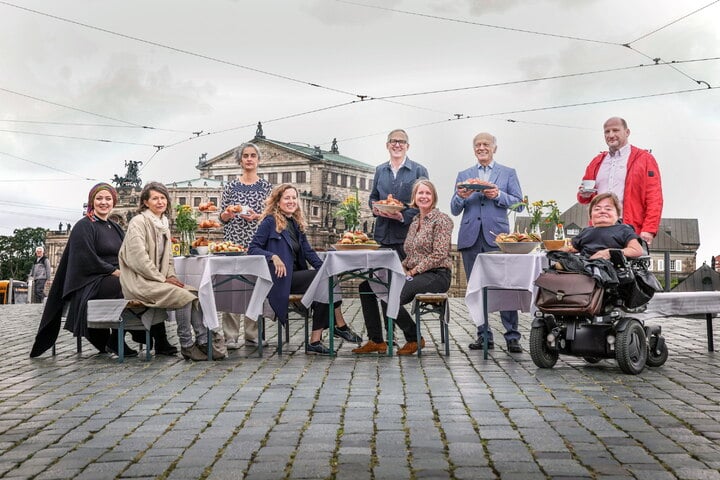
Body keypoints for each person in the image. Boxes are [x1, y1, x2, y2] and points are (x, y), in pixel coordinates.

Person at [30, 183, 143, 358]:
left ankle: (139, 333)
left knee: (142, 283)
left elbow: (125, 255)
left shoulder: (115, 227)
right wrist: (115, 272)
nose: (103, 202)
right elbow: (86, 259)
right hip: (89, 281)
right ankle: (115, 338)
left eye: (108, 199)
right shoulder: (83, 225)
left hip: (113, 277)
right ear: (92, 202)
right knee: (125, 283)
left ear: (114, 202)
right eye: (99, 198)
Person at [248, 183, 362, 355]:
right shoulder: (270, 221)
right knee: (325, 280)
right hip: (280, 279)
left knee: (327, 279)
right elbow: (253, 248)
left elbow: (308, 252)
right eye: (287, 198)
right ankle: (339, 326)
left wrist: (326, 268)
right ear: (278, 201)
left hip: (295, 276)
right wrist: (273, 256)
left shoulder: (294, 223)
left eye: (294, 198)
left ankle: (317, 339)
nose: (291, 201)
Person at [353, 179, 453, 355]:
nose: (424, 196)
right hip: (414, 273)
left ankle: (414, 337)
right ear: (414, 197)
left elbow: (439, 254)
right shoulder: (414, 221)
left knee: (391, 294)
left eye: (427, 193)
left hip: (436, 275)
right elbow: (411, 254)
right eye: (420, 193)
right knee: (367, 286)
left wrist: (413, 271)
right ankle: (376, 340)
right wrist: (402, 268)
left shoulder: (442, 220)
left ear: (434, 197)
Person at [119, 181, 215, 361]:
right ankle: (186, 344)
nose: (160, 202)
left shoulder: (163, 223)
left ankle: (202, 340)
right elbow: (138, 258)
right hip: (139, 282)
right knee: (183, 296)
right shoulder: (138, 222)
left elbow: (169, 258)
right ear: (146, 202)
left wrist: (170, 275)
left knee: (193, 291)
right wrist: (162, 279)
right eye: (155, 198)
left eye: (163, 198)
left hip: (156, 280)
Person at [451, 132, 524, 353]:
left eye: (486, 144)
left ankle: (512, 336)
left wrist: (499, 195)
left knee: (505, 286)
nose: (481, 148)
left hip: (498, 238)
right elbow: (454, 208)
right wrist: (461, 195)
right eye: (477, 145)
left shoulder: (508, 173)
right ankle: (483, 335)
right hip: (470, 238)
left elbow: (519, 204)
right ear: (474, 149)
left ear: (494, 148)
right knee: (476, 288)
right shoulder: (464, 175)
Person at [359, 129, 429, 344]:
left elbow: (424, 205)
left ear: (408, 146)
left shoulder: (418, 170)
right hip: (382, 236)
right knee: (371, 285)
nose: (397, 145)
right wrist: (376, 209)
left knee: (389, 286)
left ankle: (409, 335)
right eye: (393, 142)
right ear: (387, 145)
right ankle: (378, 340)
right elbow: (373, 199)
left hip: (407, 239)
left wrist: (401, 216)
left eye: (401, 142)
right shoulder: (380, 170)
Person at [218, 142, 272, 349]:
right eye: (245, 156)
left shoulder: (266, 187)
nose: (249, 159)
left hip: (257, 241)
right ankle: (230, 335)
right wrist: (228, 213)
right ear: (240, 160)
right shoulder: (231, 186)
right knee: (231, 286)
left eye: (253, 156)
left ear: (258, 160)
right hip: (233, 242)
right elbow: (222, 216)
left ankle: (252, 333)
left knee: (255, 286)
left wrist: (258, 216)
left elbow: (270, 215)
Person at [577, 117, 663, 245]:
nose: (611, 135)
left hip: (629, 227)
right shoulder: (597, 161)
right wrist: (583, 194)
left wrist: (649, 229)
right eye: (607, 132)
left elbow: (654, 197)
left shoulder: (645, 159)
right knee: (596, 263)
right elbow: (583, 197)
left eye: (615, 130)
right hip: (599, 227)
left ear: (627, 132)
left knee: (625, 264)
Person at [565, 193, 644, 260]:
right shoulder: (586, 231)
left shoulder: (624, 230)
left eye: (608, 209)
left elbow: (636, 250)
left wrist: (610, 252)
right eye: (597, 209)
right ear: (591, 215)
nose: (602, 211)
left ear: (617, 215)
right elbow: (570, 248)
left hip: (609, 268)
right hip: (584, 264)